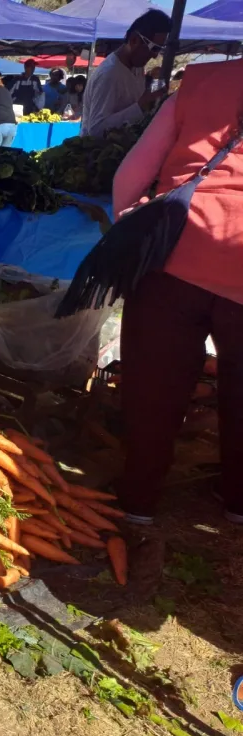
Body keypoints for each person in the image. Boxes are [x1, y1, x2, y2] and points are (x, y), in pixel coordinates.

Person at [111, 58, 243, 525]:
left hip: (176, 257)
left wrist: (128, 232)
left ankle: (139, 499)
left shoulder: (202, 81)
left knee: (154, 383)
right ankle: (238, 501)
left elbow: (130, 174)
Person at [81, 9, 171, 137]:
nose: (155, 56)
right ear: (134, 40)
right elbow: (96, 130)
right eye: (154, 48)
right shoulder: (109, 74)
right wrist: (140, 107)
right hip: (98, 154)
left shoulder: (137, 68)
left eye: (160, 49)